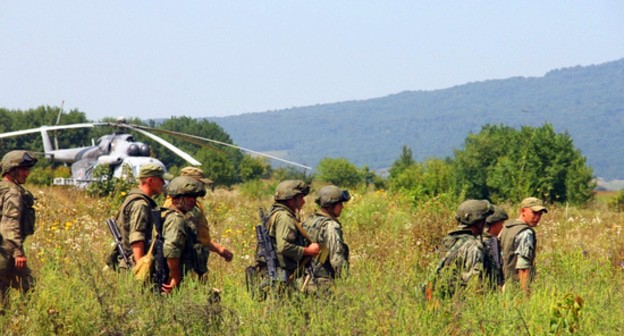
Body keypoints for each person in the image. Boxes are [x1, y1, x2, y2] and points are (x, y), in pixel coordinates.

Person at [162, 167, 233, 279]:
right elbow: (173, 245)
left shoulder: (193, 205)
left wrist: (219, 249)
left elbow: (197, 237)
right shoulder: (176, 207)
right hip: (183, 269)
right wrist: (174, 277)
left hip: (195, 267)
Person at [425, 199, 494, 299]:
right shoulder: (473, 246)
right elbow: (475, 284)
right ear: (479, 222)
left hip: (443, 299)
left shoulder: (448, 240)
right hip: (461, 302)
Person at [107, 163, 171, 270]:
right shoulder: (141, 204)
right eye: (160, 179)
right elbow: (137, 239)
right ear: (150, 180)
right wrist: (141, 270)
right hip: (134, 265)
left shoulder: (136, 200)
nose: (163, 183)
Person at [0, 150, 38, 308]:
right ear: (11, 170)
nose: (27, 173)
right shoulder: (13, 193)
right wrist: (18, 253)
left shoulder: (3, 189)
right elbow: (10, 223)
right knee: (27, 288)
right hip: (6, 251)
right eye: (23, 169)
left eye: (28, 169)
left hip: (4, 248)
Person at [161, 176, 207, 293]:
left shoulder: (176, 216)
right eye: (188, 196)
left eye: (194, 197)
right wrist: (175, 278)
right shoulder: (176, 219)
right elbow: (171, 251)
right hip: (176, 279)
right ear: (176, 198)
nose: (193, 200)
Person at [269, 180, 319, 284]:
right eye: (301, 198)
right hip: (282, 275)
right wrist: (308, 251)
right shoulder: (284, 217)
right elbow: (284, 246)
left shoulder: (278, 214)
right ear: (291, 200)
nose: (303, 202)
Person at [302, 185, 351, 290]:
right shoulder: (330, 226)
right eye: (340, 204)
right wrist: (346, 282)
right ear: (331, 205)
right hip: (322, 284)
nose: (342, 207)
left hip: (304, 280)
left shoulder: (310, 221)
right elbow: (336, 258)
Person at [500, 197, 547, 294]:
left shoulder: (506, 228)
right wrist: (525, 293)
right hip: (515, 288)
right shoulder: (525, 233)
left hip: (502, 285)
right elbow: (523, 267)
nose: (537, 217)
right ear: (523, 211)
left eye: (540, 214)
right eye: (534, 213)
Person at [483, 205, 508, 289]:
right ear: (493, 224)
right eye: (501, 223)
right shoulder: (491, 241)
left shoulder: (479, 239)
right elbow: (496, 266)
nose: (503, 227)